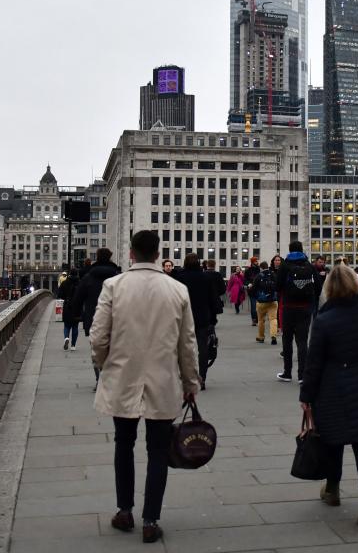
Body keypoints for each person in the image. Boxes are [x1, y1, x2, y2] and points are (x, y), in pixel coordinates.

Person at [90, 230, 200, 544]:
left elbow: (98, 337)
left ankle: (124, 511)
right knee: (157, 450)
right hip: (163, 380)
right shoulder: (178, 290)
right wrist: (190, 382)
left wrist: (104, 365)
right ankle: (151, 519)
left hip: (123, 377)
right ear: (157, 253)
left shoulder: (113, 286)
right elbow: (187, 344)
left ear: (132, 254)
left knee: (123, 444)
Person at [299, 264, 358, 527]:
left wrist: (306, 396)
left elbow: (313, 364)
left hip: (332, 390)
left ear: (328, 289)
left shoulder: (323, 322)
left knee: (333, 441)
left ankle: (332, 489)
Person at [75, 248, 122, 387]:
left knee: (96, 349)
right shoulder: (118, 277)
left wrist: (77, 314)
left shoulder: (88, 277)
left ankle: (100, 379)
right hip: (116, 319)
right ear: (110, 257)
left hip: (93, 318)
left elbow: (78, 298)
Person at [276, 240, 319, 383]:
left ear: (289, 250)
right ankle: (302, 375)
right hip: (305, 308)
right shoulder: (309, 266)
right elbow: (318, 287)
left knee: (287, 340)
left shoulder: (285, 265)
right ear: (301, 250)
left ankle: (287, 373)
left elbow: (277, 286)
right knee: (302, 342)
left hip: (288, 307)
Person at [175, 254, 219, 390]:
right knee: (203, 348)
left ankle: (183, 376)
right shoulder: (206, 277)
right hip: (202, 317)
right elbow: (213, 298)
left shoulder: (179, 277)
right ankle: (202, 377)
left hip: (183, 317)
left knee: (181, 347)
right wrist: (213, 317)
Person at [250, 260, 279, 344]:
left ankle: (261, 337)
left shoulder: (259, 276)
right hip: (273, 301)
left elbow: (254, 289)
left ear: (261, 268)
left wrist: (256, 296)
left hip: (261, 302)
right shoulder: (273, 274)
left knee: (261, 320)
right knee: (273, 319)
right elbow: (277, 286)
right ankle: (273, 336)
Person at [58, 268, 81, 351]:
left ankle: (66, 338)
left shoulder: (64, 283)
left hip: (67, 305)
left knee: (67, 325)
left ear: (69, 274)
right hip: (77, 307)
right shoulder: (80, 283)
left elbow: (59, 294)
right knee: (75, 326)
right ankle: (73, 345)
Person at [204, 260, 227, 326]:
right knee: (213, 312)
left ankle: (208, 323)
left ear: (207, 265)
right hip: (215, 297)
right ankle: (213, 323)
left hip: (205, 297)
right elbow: (223, 288)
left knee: (206, 311)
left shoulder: (203, 274)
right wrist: (217, 293)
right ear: (214, 265)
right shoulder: (218, 275)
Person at [243, 257, 261, 326]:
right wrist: (248, 284)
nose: (257, 262)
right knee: (253, 306)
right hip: (251, 290)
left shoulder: (259, 269)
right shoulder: (248, 270)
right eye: (256, 261)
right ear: (253, 262)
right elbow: (245, 280)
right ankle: (254, 319)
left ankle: (258, 318)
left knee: (259, 306)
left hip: (259, 290)